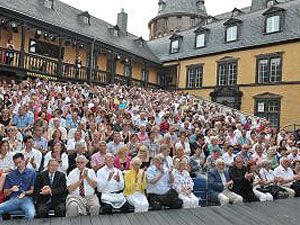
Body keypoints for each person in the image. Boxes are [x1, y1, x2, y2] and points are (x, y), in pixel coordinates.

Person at [0, 153, 36, 221]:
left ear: (24, 160)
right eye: (16, 163)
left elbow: (32, 190)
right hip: (14, 199)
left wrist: (25, 193)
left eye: (19, 162)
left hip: (26, 199)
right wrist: (11, 189)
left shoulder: (32, 173)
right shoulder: (10, 175)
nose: (18, 165)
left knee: (31, 214)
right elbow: (5, 193)